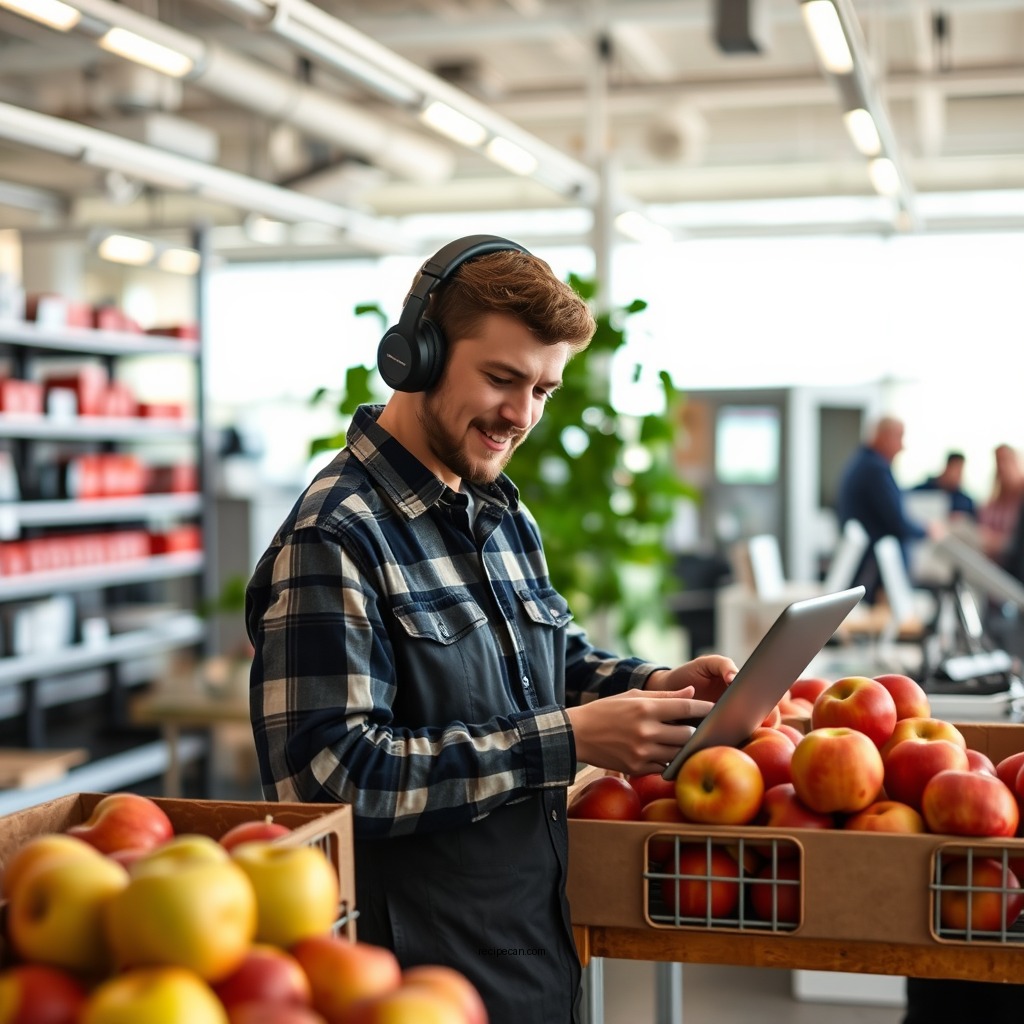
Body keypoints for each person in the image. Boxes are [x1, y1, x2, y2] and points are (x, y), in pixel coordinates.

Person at [244, 235, 737, 1024]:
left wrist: (651, 686)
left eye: (543, 389)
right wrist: (568, 740)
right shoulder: (334, 537)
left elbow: (548, 657)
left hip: (528, 947)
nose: (521, 415)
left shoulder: (500, 510)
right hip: (409, 981)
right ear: (417, 355)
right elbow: (327, 780)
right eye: (502, 379)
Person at [835, 415, 942, 602]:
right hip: (872, 570)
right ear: (884, 436)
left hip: (866, 567)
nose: (902, 447)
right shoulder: (875, 470)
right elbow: (897, 522)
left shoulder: (861, 462)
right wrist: (927, 530)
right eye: (899, 438)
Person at [977, 443, 1024, 566]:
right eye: (998, 462)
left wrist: (997, 542)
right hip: (992, 565)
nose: (1002, 467)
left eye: (1006, 461)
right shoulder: (992, 501)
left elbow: (1017, 543)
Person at [911, 450, 976, 519]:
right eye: (956, 470)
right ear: (946, 468)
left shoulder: (965, 502)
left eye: (960, 471)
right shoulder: (921, 491)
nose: (958, 476)